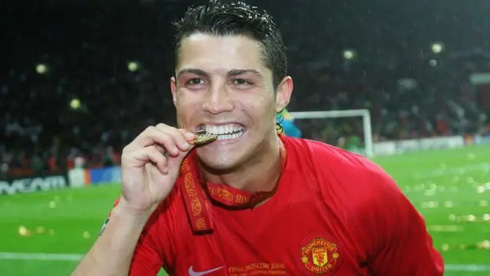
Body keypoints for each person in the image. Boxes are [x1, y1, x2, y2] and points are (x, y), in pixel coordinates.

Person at [73, 1, 444, 275]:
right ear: (174, 92)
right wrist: (132, 210)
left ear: (282, 94)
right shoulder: (160, 200)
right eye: (196, 81)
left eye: (241, 81)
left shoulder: (364, 192)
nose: (215, 104)